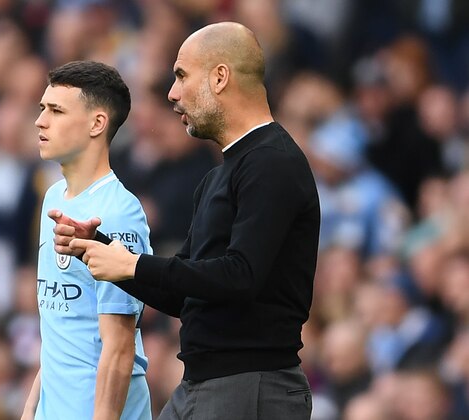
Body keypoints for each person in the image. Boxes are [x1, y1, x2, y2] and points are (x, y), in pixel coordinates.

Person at [51, 22, 320, 419]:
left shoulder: (272, 162)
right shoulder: (217, 176)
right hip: (202, 384)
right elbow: (184, 295)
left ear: (220, 77)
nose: (173, 94)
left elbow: (241, 276)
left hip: (249, 385)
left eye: (181, 76)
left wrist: (134, 264)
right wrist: (104, 250)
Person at [21, 61, 152, 420]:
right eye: (42, 109)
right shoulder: (54, 198)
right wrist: (31, 410)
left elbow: (119, 347)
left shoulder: (118, 212)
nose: (40, 121)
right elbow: (60, 330)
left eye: (57, 110)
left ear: (97, 124)